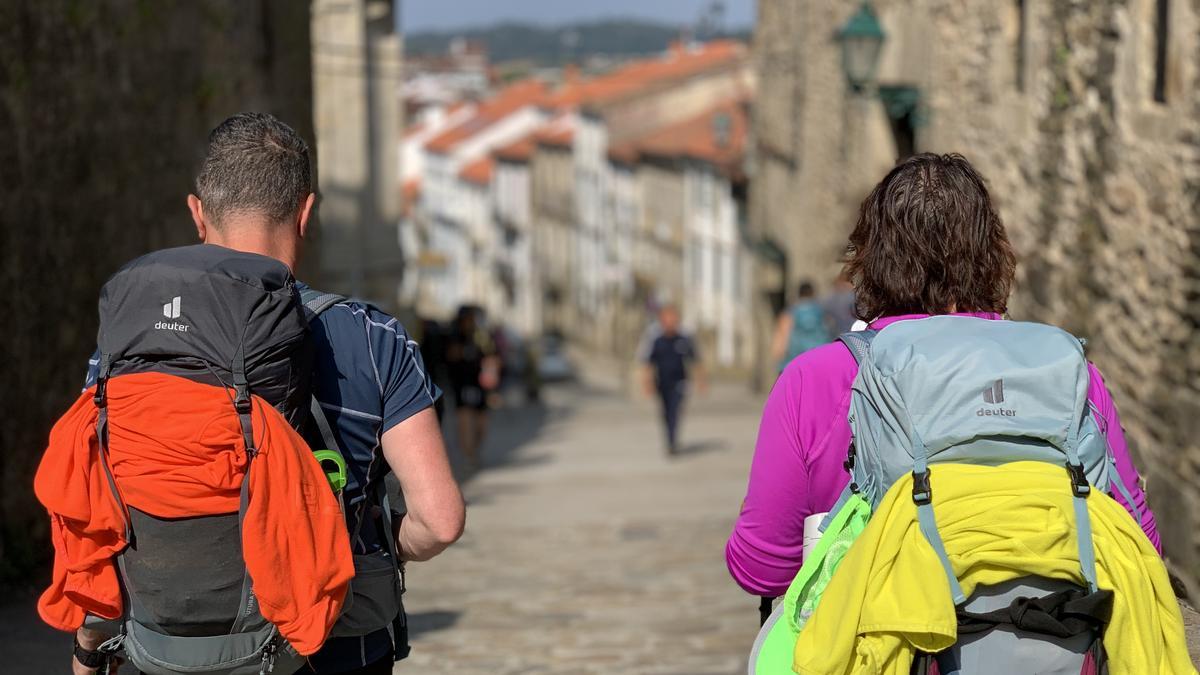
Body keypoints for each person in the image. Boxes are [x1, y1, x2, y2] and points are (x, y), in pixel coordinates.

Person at [72, 113, 465, 675]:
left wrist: (89, 648)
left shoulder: (130, 346)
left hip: (179, 652)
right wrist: (370, 548)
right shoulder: (372, 336)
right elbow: (440, 520)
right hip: (336, 651)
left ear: (197, 214)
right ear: (306, 213)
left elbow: (96, 508)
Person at [726, 152, 1160, 600]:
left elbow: (761, 570)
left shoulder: (814, 380)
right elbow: (1142, 545)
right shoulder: (1070, 374)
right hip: (1051, 649)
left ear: (869, 256)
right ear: (993, 252)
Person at [640, 304, 706, 455]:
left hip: (680, 382)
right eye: (666, 318)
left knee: (675, 411)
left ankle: (672, 441)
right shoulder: (657, 340)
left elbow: (695, 361)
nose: (670, 321)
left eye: (673, 318)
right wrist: (647, 383)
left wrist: (701, 381)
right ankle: (669, 438)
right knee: (666, 412)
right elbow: (648, 363)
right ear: (661, 320)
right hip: (662, 382)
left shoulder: (684, 339)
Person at [445, 305, 500, 470]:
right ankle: (468, 455)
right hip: (462, 384)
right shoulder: (454, 335)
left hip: (481, 385)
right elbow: (449, 355)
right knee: (465, 421)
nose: (472, 321)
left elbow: (492, 356)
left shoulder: (482, 335)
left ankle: (473, 451)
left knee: (482, 424)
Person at [769, 280, 832, 373]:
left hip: (794, 361)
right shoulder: (821, 311)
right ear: (813, 293)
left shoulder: (791, 311)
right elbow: (828, 332)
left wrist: (777, 356)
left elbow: (782, 334)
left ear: (799, 294)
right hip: (817, 360)